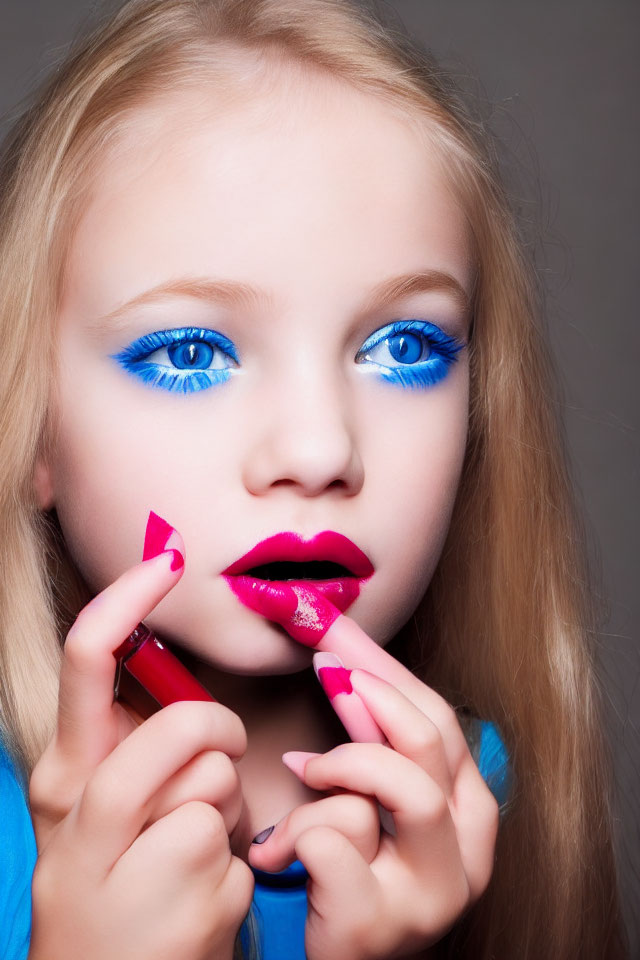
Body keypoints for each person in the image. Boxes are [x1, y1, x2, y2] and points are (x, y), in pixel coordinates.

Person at [0, 0, 627, 957]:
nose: (321, 450)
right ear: (35, 430)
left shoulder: (476, 811)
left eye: (405, 346)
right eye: (189, 354)